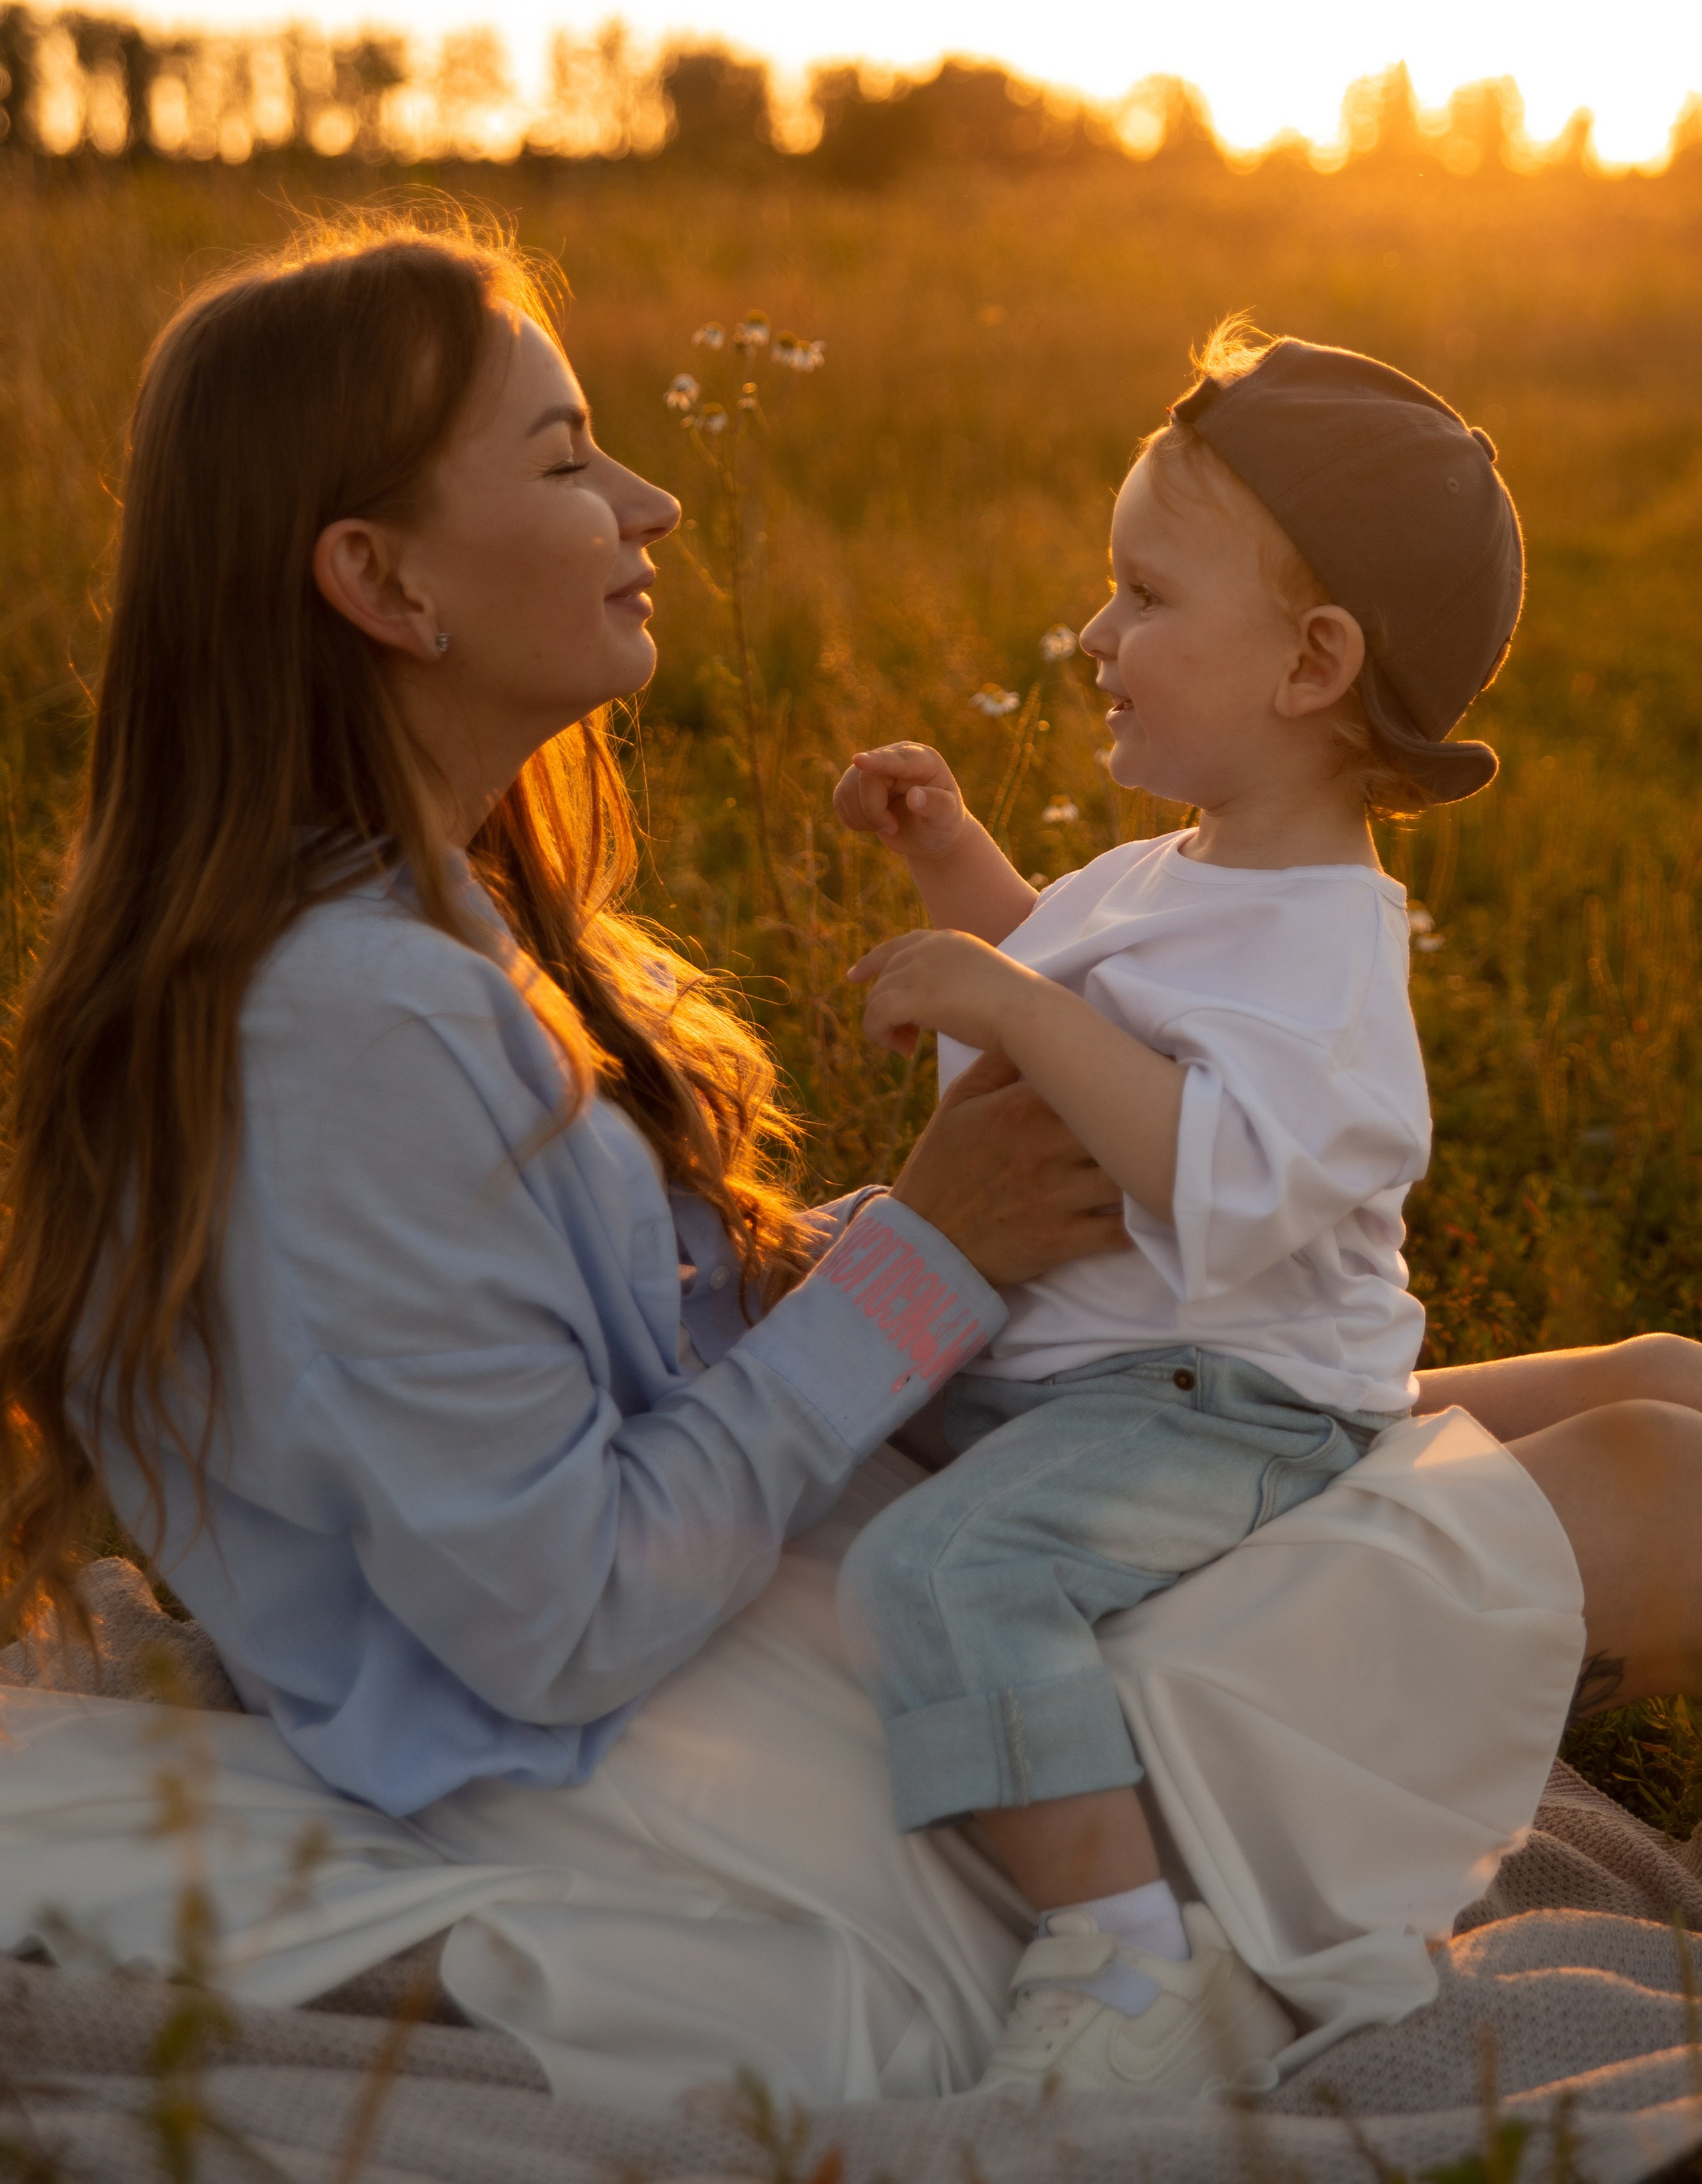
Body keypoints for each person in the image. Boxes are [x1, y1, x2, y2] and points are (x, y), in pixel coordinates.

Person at [3, 214, 1702, 2113]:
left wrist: (898, 1241)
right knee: (1659, 1483)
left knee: (1655, 1392)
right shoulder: (365, 1024)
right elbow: (559, 1622)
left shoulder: (428, 930)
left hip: (788, 1561)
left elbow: (632, 1343)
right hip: (698, 1743)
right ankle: (1124, 1940)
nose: (650, 500)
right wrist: (930, 1258)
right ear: (382, 581)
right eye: (567, 458)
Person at [831, 328, 1521, 2097]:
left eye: (1141, 594)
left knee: (946, 1565)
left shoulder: (1328, 951)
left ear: (1313, 664)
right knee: (801, 1317)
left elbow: (1212, 1172)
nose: (1093, 636)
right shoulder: (1182, 869)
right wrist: (954, 862)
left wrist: (1002, 1000)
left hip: (1226, 1397)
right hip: (1090, 1359)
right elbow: (1084, 981)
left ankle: (1127, 1964)